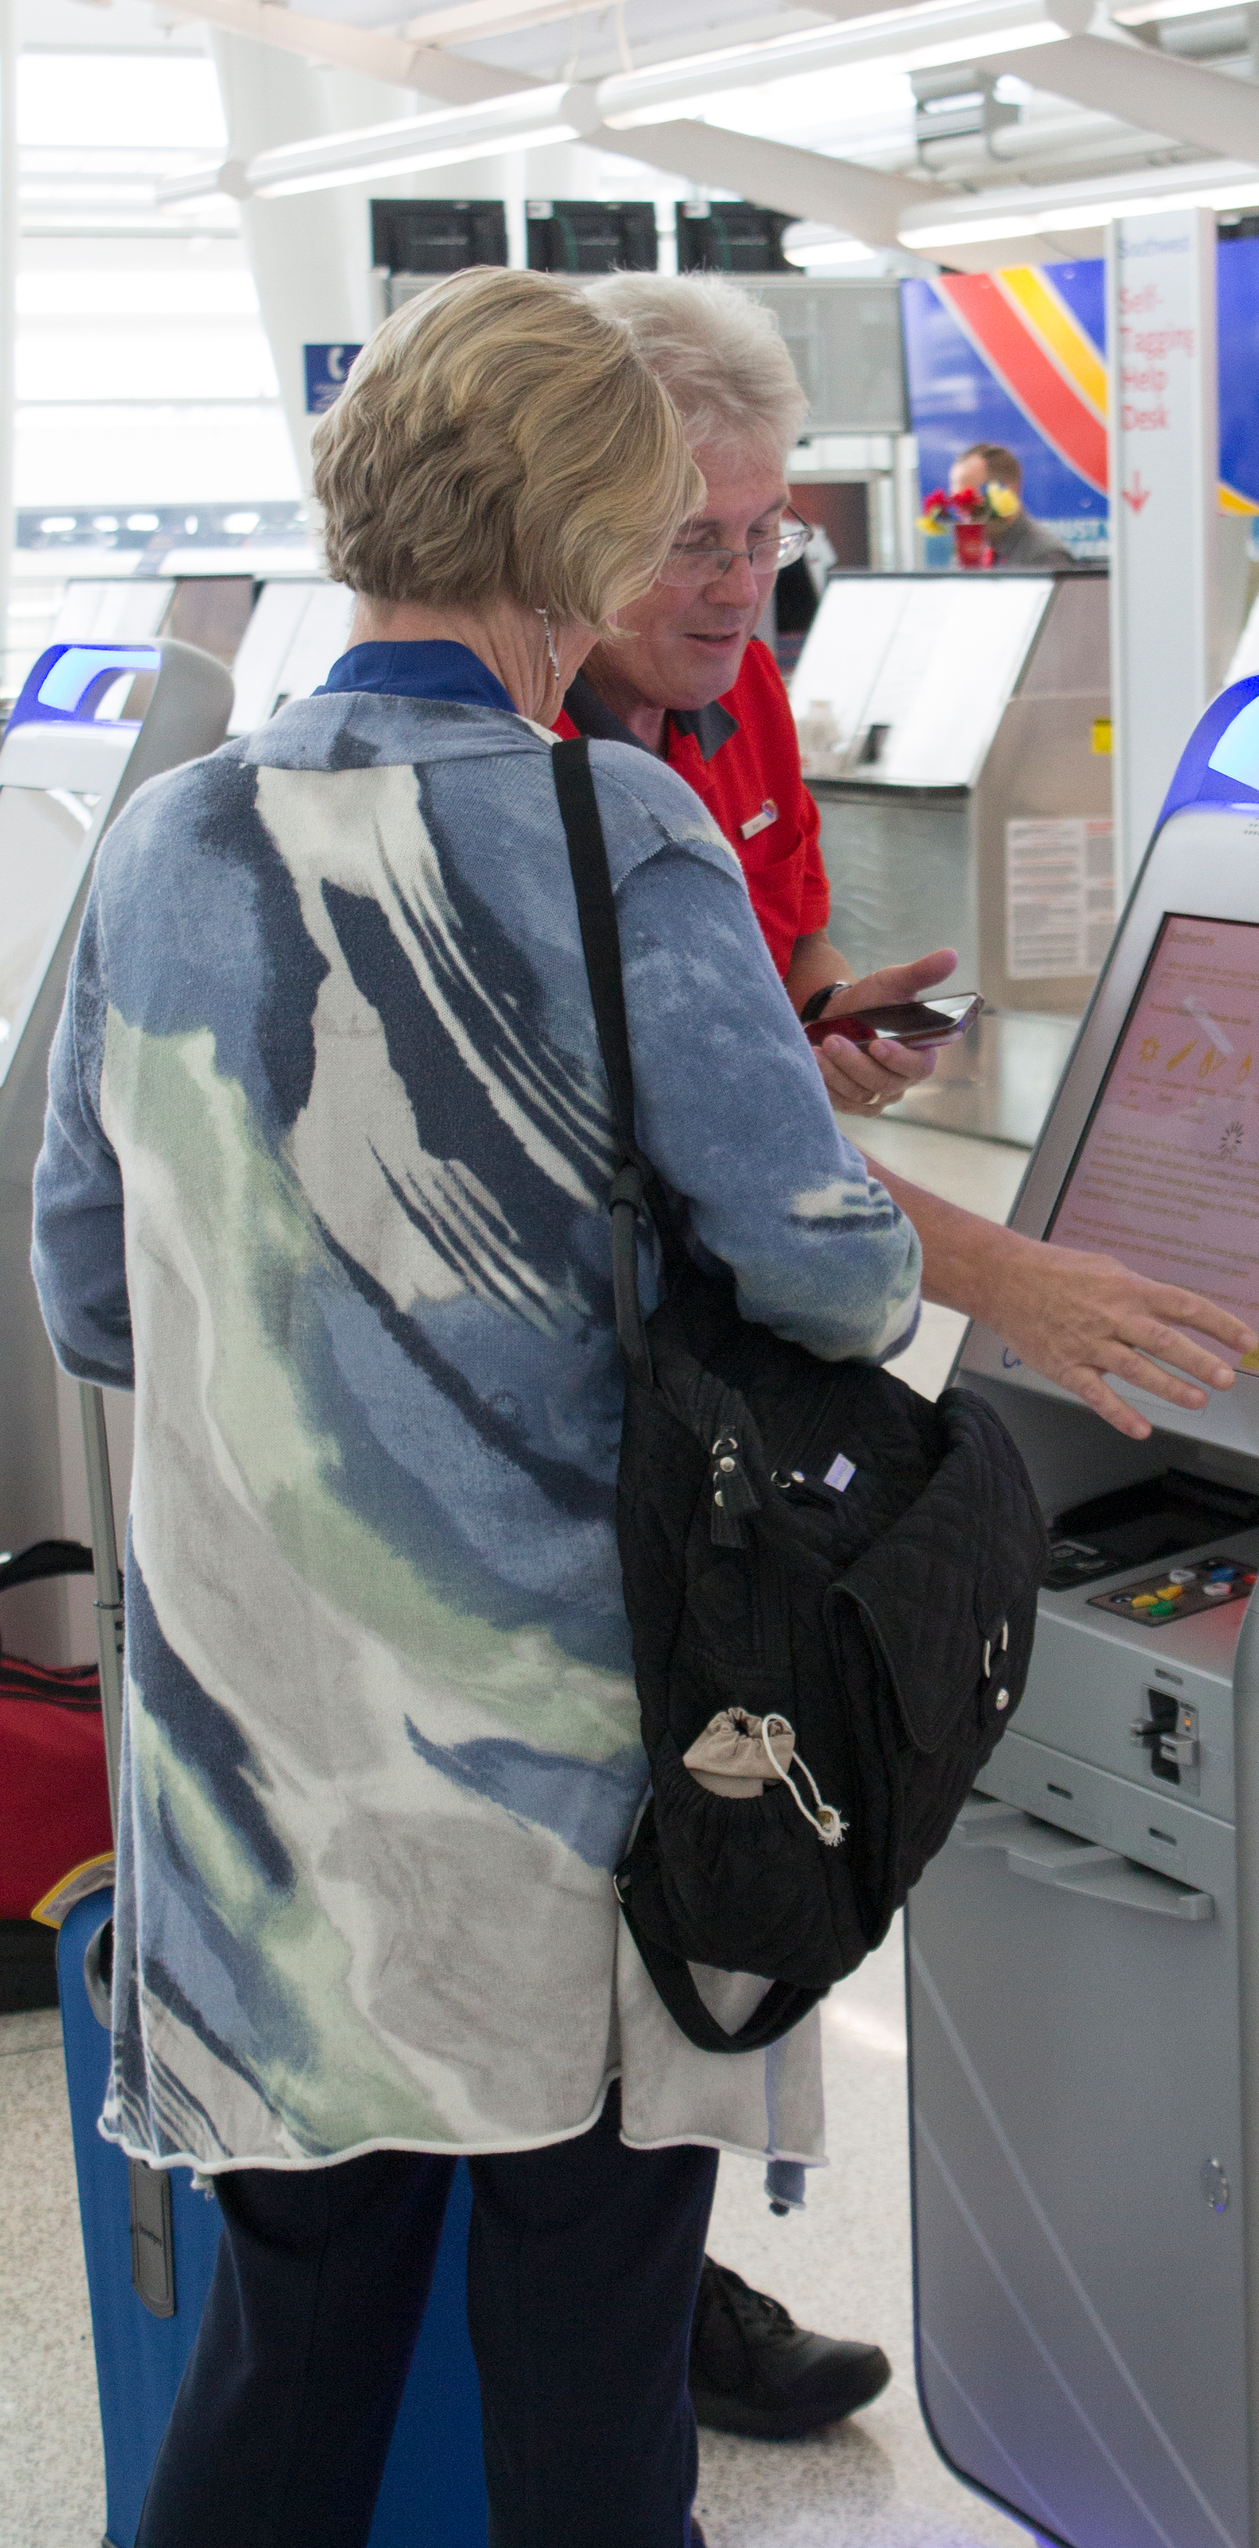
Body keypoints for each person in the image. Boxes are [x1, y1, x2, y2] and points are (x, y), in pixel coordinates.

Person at [32, 265, 924, 2548]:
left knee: (290, 2367)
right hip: (566, 1799)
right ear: (581, 535)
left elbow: (87, 1288)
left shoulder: (165, 846)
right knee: (585, 2387)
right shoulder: (619, 837)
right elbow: (823, 1266)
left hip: (258, 1790)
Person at [555, 271, 1259, 2447]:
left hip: (744, 1379)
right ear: (563, 513)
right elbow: (675, 1159)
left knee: (718, 1814)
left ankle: (653, 2268)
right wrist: (1016, 1283)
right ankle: (617, 2303)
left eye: (767, 529)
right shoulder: (529, 773)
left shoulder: (734, 701)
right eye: (687, 534)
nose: (735, 580)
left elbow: (751, 1027)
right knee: (620, 1850)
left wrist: (828, 1022)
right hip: (608, 1391)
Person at [950, 440, 1076, 570]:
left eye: (969, 500)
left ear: (1009, 492)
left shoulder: (1045, 556)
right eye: (956, 500)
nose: (962, 511)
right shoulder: (973, 554)